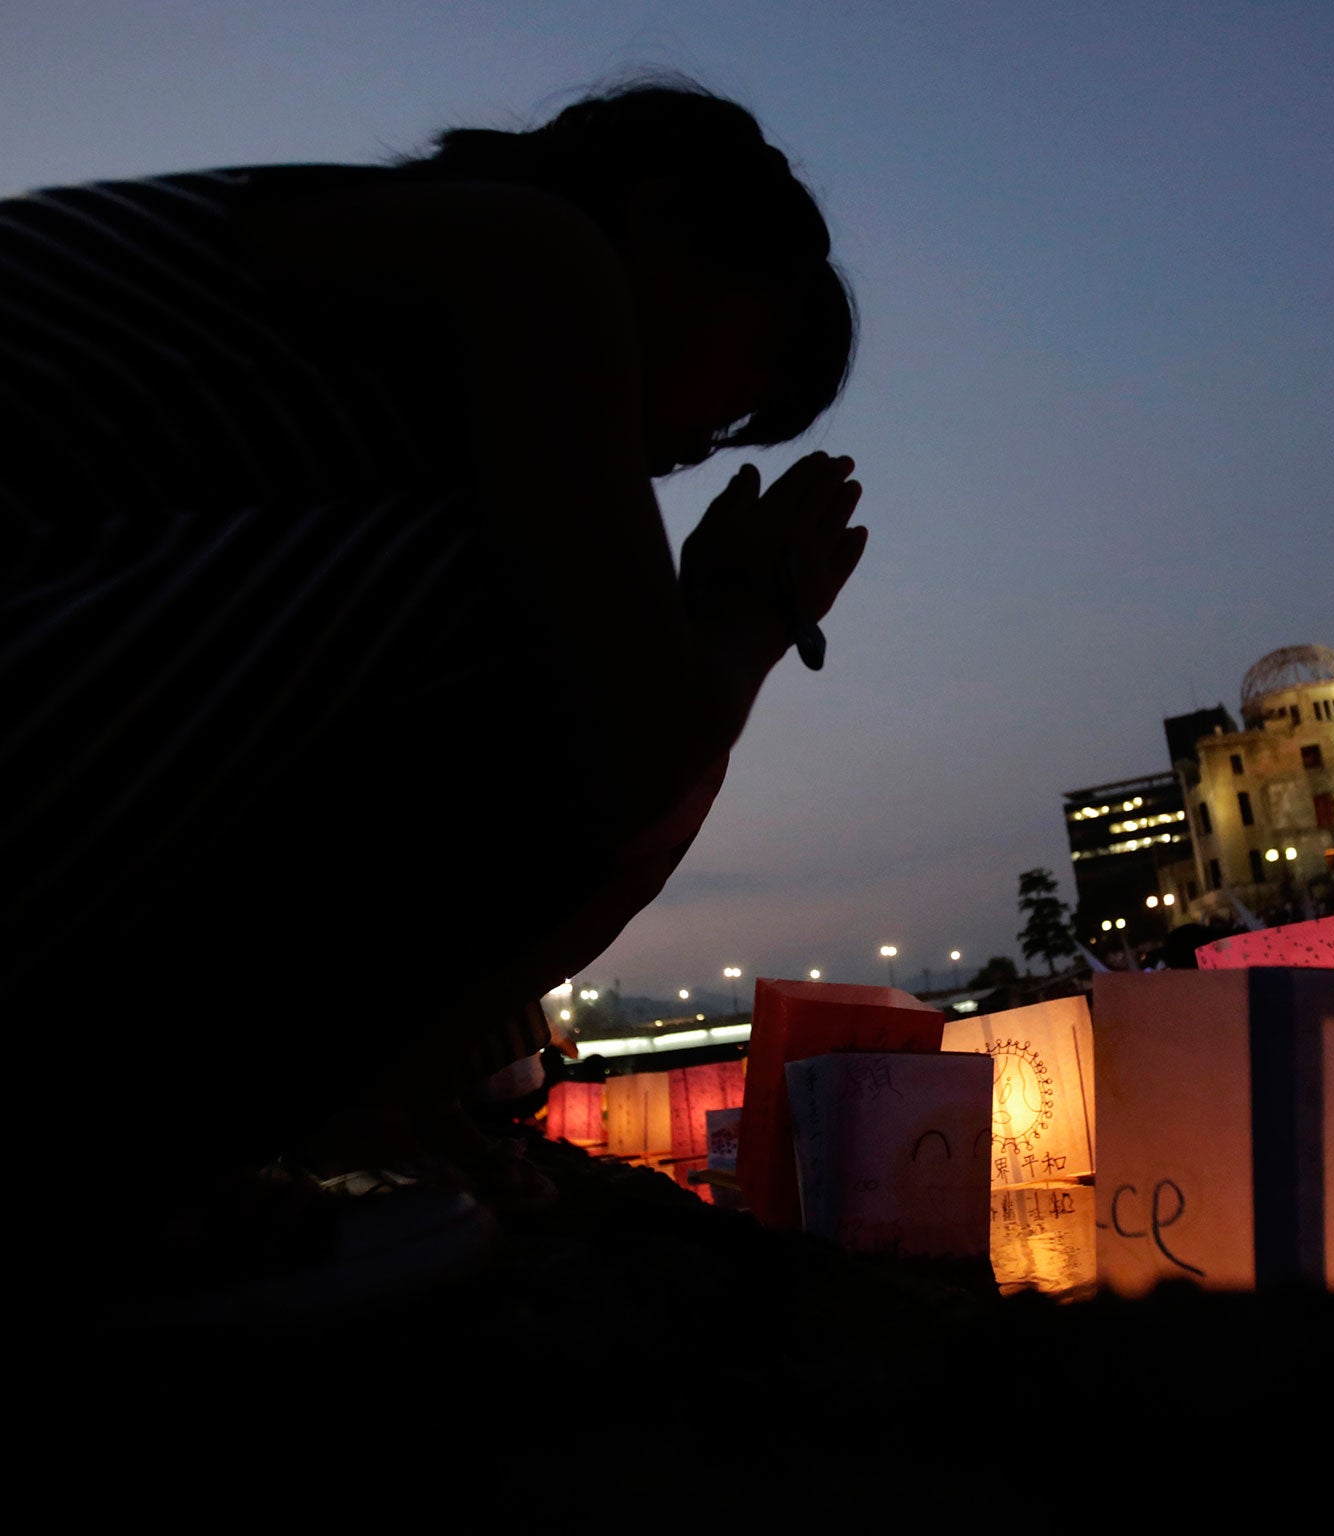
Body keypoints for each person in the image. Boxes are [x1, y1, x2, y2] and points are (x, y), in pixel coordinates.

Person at [0, 80, 864, 1295]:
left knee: (565, 637)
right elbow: (628, 751)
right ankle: (93, 1187)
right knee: (558, 641)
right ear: (663, 222)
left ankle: (230, 1143)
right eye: (744, 383)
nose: (694, 446)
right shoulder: (530, 254)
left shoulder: (376, 355)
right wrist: (743, 613)